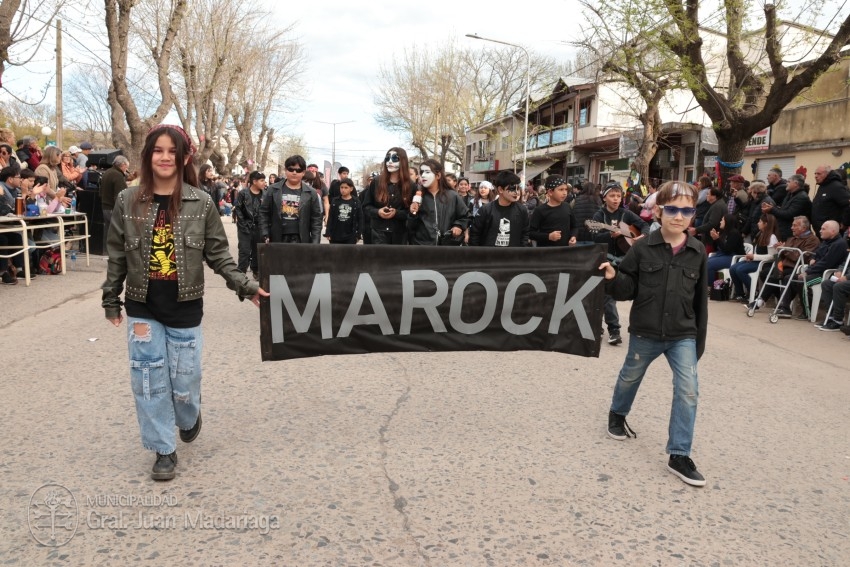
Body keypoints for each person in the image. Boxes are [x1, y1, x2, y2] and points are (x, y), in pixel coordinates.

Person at [101, 124, 268, 481]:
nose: (164, 157)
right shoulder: (127, 200)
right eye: (157, 150)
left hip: (186, 307)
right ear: (147, 155)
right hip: (142, 306)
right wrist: (111, 299)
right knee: (148, 379)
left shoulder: (201, 202)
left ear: (184, 157)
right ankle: (163, 448)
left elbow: (219, 256)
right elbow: (117, 254)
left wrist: (247, 286)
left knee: (185, 381)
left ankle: (189, 415)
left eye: (172, 151)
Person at [600, 180, 709, 487]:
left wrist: (699, 341)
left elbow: (700, 301)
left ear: (693, 214)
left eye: (687, 210)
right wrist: (613, 277)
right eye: (672, 209)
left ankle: (679, 454)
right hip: (646, 331)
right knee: (630, 376)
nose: (679, 216)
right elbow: (626, 289)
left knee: (688, 390)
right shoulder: (642, 248)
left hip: (682, 333)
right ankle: (617, 414)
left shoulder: (697, 250)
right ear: (659, 211)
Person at [591, 182, 650, 345]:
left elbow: (645, 225)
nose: (616, 199)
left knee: (632, 293)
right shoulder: (599, 216)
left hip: (626, 259)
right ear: (604, 198)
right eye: (612, 196)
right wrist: (610, 235)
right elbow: (594, 237)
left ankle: (600, 326)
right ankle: (614, 330)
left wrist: (642, 236)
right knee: (607, 296)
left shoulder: (626, 213)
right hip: (606, 259)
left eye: (618, 196)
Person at [774, 220, 846, 319]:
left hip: (825, 275)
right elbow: (816, 254)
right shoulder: (826, 241)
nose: (820, 231)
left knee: (802, 282)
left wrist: (807, 272)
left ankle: (807, 312)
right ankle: (785, 308)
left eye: (823, 229)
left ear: (833, 231)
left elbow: (826, 263)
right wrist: (812, 258)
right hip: (816, 271)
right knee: (789, 278)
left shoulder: (839, 244)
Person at [750, 216, 820, 311]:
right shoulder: (791, 238)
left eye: (794, 225)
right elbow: (784, 255)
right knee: (765, 273)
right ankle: (781, 300)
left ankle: (761, 301)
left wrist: (784, 249)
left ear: (803, 228)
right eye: (792, 225)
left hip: (797, 267)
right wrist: (779, 249)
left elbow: (799, 257)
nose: (791, 228)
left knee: (775, 276)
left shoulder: (812, 240)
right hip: (784, 266)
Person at [259, 154, 323, 244]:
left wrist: (315, 242)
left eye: (298, 170)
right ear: (285, 170)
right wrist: (264, 233)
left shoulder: (311, 193)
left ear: (303, 172)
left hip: (301, 239)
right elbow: (264, 213)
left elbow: (316, 219)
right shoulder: (273, 189)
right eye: (291, 169)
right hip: (277, 238)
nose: (294, 172)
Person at [406, 159, 469, 245]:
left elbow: (465, 216)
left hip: (446, 247)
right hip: (422, 246)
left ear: (438, 175)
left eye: (427, 172)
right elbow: (410, 227)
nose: (423, 175)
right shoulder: (417, 196)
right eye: (421, 172)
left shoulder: (453, 196)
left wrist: (458, 226)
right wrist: (412, 214)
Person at [361, 147, 413, 245]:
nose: (390, 161)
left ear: (403, 161)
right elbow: (366, 206)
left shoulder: (411, 185)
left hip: (400, 235)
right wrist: (378, 212)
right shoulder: (376, 182)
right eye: (387, 158)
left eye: (394, 158)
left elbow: (411, 213)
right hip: (378, 234)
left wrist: (397, 213)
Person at [468, 170, 529, 247]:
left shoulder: (522, 210)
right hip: (488, 253)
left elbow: (525, 234)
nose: (517, 192)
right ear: (500, 189)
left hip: (514, 253)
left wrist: (522, 251)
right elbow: (475, 235)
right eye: (512, 189)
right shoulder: (486, 210)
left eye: (518, 188)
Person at [729, 214, 779, 301]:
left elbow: (772, 257)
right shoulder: (760, 234)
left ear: (766, 224)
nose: (758, 223)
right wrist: (749, 256)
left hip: (764, 264)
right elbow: (756, 250)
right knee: (733, 268)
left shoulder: (772, 237)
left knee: (740, 270)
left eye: (760, 221)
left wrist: (754, 257)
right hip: (755, 261)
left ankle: (754, 291)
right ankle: (740, 294)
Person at [234, 171, 267, 277]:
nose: (264, 182)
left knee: (258, 250)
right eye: (262, 180)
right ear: (254, 181)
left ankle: (256, 270)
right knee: (244, 251)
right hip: (245, 227)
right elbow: (238, 209)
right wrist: (243, 224)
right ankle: (241, 273)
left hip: (259, 227)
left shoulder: (266, 194)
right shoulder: (243, 193)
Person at [528, 176, 578, 247]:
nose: (565, 193)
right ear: (550, 192)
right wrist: (548, 236)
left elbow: (574, 226)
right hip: (547, 251)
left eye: (566, 189)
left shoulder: (567, 206)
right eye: (561, 190)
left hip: (565, 251)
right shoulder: (540, 210)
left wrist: (573, 236)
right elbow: (530, 233)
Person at [761, 173, 811, 240]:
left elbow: (789, 214)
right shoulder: (790, 194)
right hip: (784, 231)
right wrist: (772, 207)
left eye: (789, 182)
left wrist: (772, 209)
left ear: (796, 184)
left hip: (792, 234)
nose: (786, 183)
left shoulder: (802, 197)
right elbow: (783, 210)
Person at [100, 156, 130, 247]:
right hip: (113, 208)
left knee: (109, 231)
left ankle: (107, 251)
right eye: (126, 167)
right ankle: (116, 251)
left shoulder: (108, 172)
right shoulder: (117, 175)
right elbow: (120, 195)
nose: (126, 169)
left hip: (105, 206)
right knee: (117, 232)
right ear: (123, 165)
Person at [706, 213, 746, 281]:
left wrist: (717, 239)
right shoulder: (724, 232)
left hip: (734, 257)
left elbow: (727, 250)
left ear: (727, 222)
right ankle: (710, 284)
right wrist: (714, 239)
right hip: (723, 255)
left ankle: (710, 286)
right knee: (704, 262)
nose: (720, 222)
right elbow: (717, 248)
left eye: (722, 220)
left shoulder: (734, 233)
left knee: (708, 264)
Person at [811, 165, 850, 233]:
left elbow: (847, 205)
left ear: (827, 174)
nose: (816, 176)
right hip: (821, 231)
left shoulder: (836, 186)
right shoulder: (822, 186)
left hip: (832, 231)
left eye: (819, 174)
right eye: (815, 174)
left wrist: (845, 223)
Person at [326, 178, 363, 244]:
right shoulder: (335, 201)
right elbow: (331, 217)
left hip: (350, 236)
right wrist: (328, 232)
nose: (343, 190)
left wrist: (358, 234)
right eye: (341, 187)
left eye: (346, 188)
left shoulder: (356, 202)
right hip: (335, 235)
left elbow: (360, 218)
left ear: (351, 189)